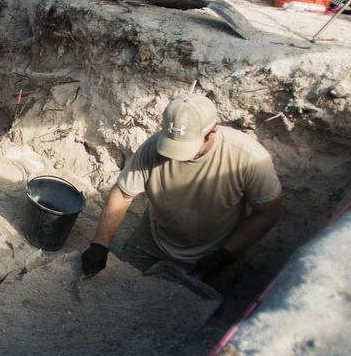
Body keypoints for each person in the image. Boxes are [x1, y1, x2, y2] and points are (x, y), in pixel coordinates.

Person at [80, 94, 283, 294]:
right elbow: (123, 194)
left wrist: (225, 255)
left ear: (212, 132)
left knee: (201, 313)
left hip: (215, 251)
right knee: (120, 289)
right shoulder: (151, 149)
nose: (177, 156)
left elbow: (267, 213)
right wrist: (100, 244)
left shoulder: (249, 158)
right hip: (154, 239)